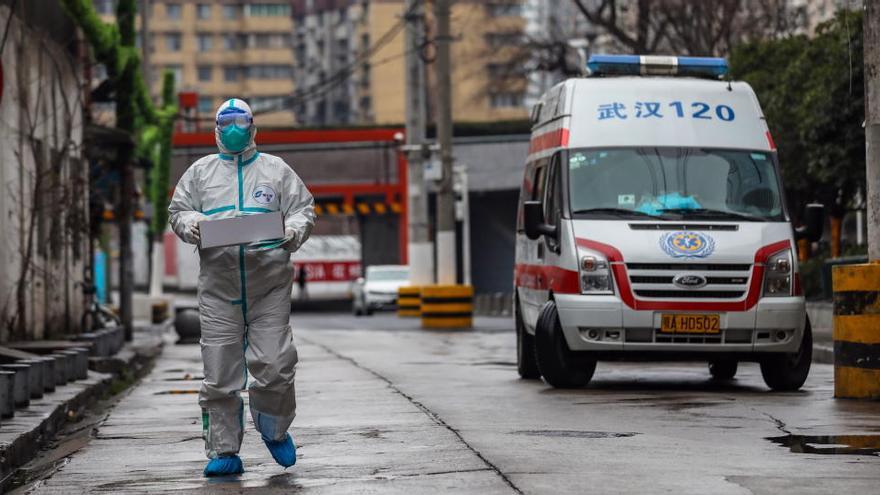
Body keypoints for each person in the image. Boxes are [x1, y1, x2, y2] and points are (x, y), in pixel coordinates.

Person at [168, 98, 315, 476]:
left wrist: (293, 231)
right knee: (219, 372)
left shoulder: (275, 171)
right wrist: (194, 224)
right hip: (219, 288)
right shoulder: (200, 174)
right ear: (216, 128)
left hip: (269, 286)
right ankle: (224, 450)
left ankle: (274, 427)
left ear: (253, 126)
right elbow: (178, 211)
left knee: (275, 364)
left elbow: (303, 209)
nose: (234, 127)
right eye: (226, 121)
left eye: (241, 120)